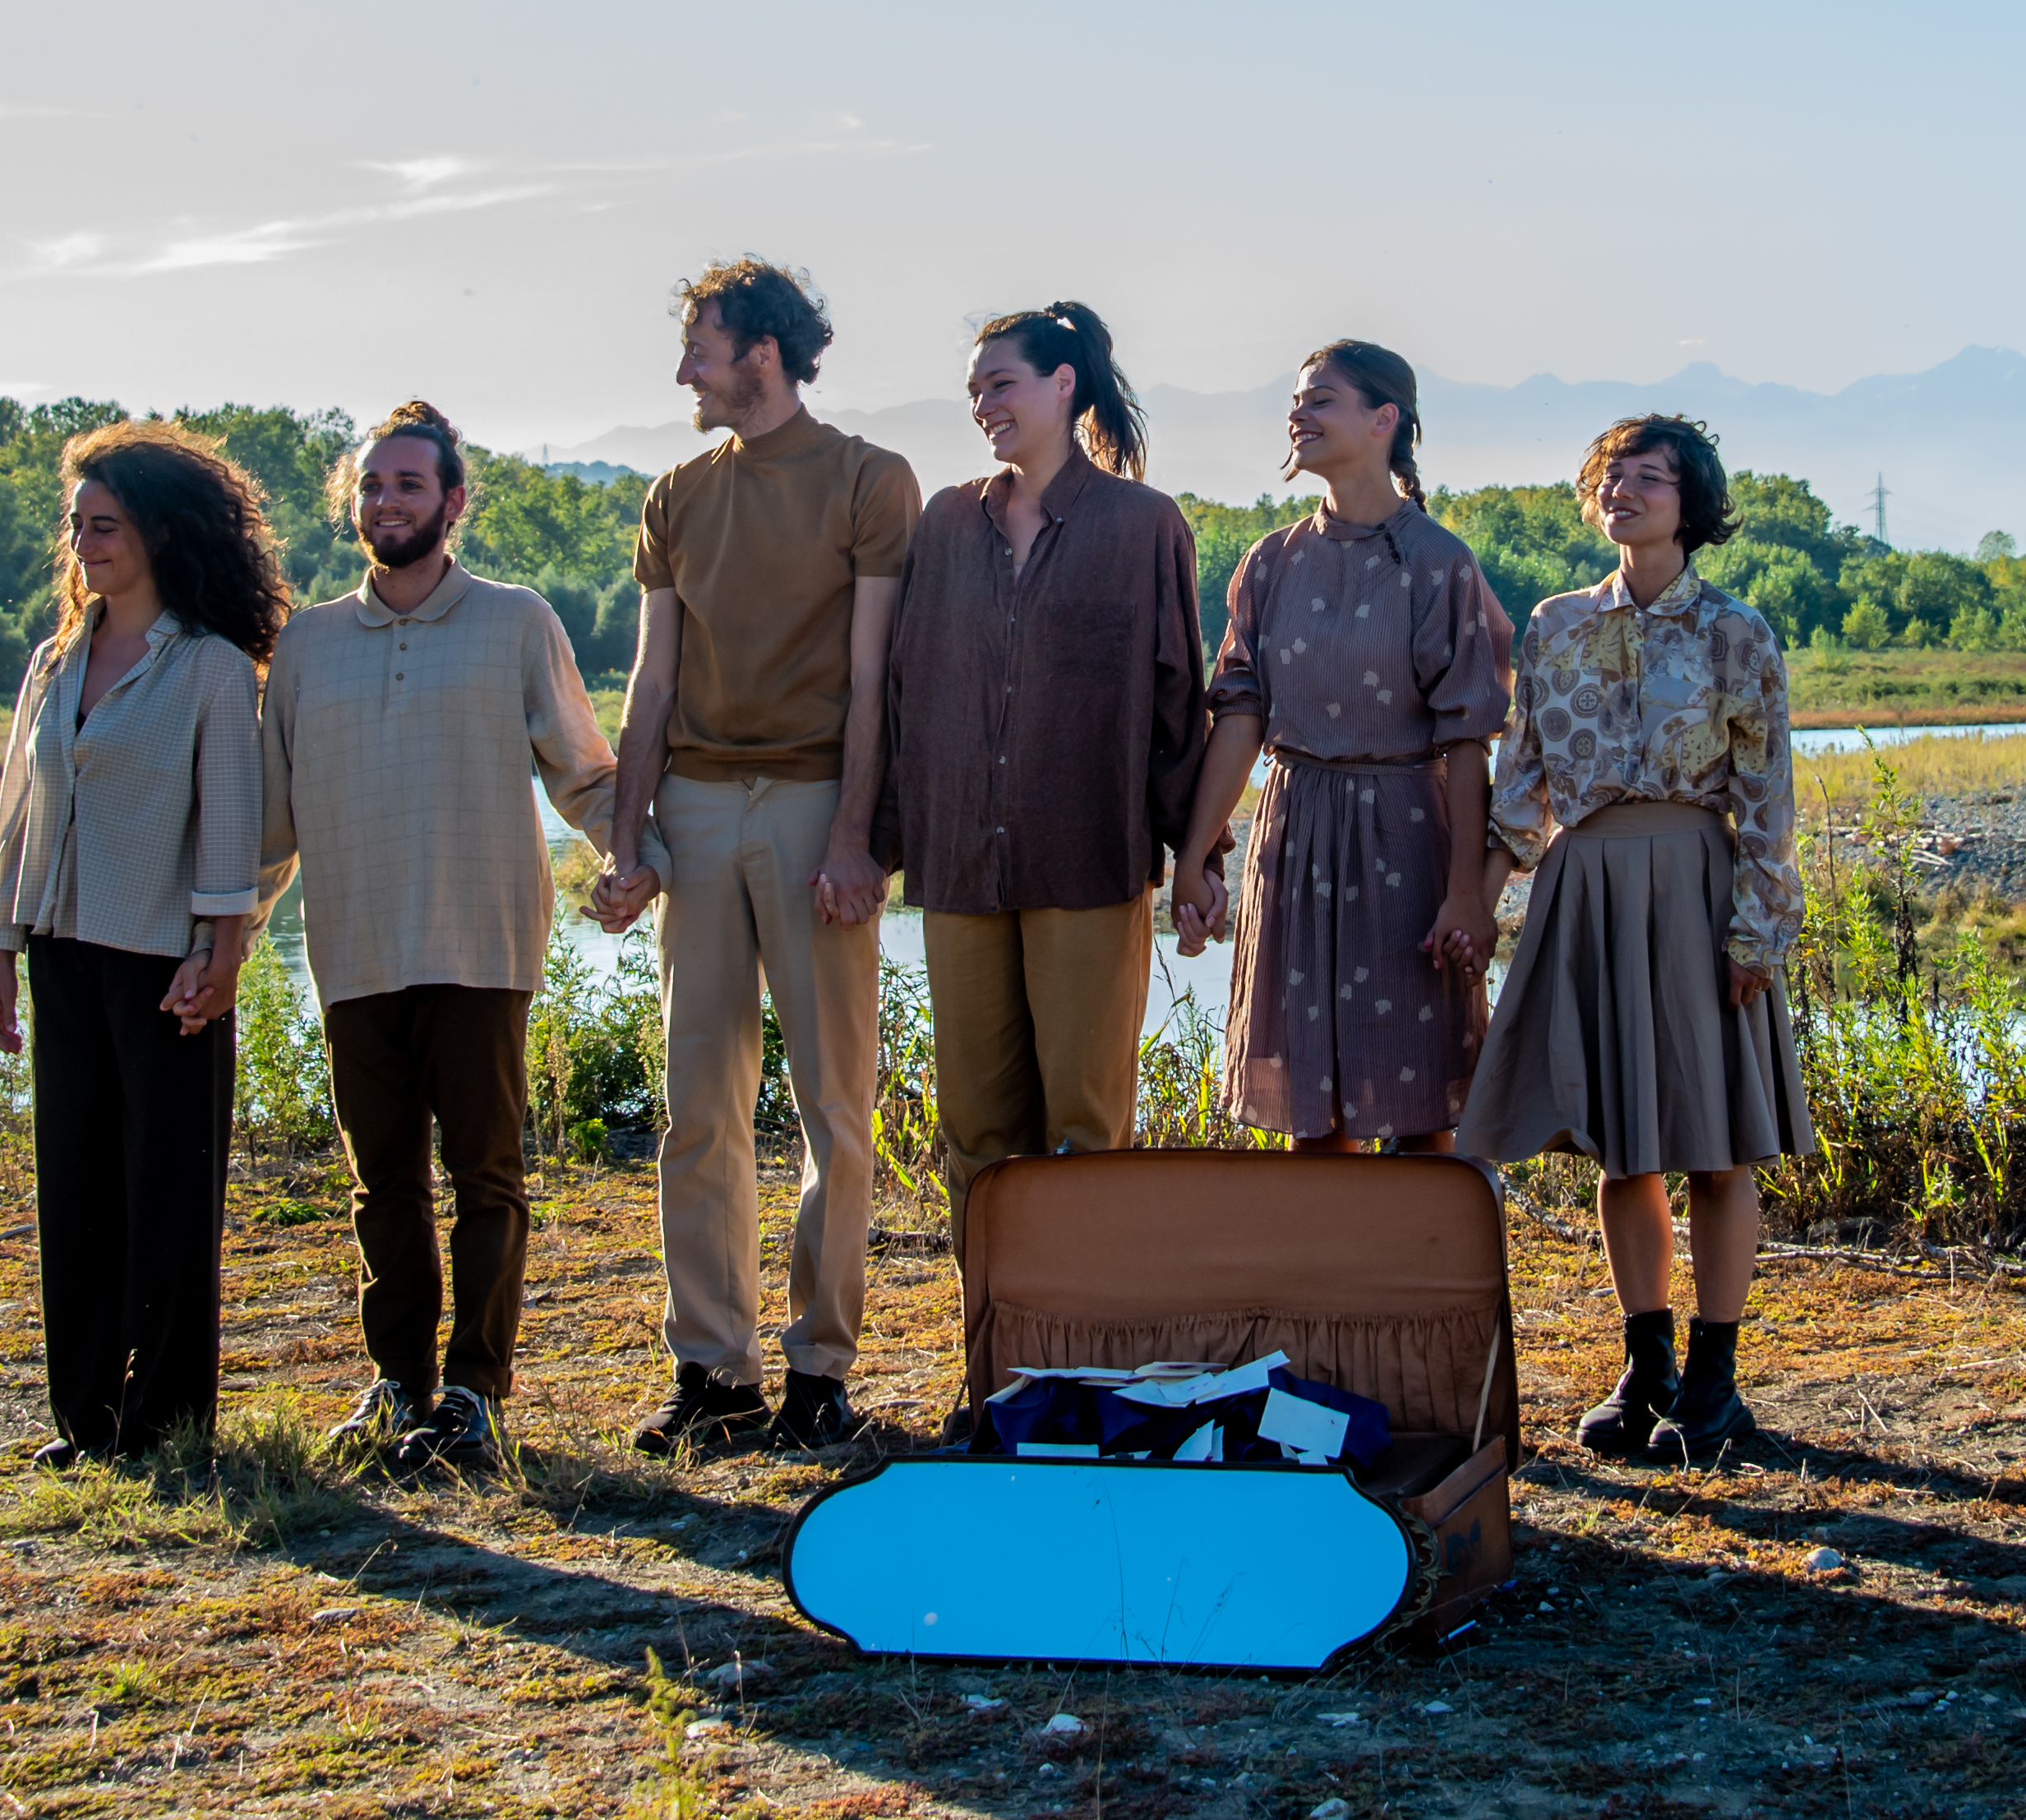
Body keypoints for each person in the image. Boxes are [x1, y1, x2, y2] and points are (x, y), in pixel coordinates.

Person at [256, 398, 621, 1480]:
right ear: (352, 505)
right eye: (373, 486)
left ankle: (475, 1390)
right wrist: (221, 937)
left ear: (453, 503)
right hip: (356, 948)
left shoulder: (516, 622)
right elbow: (274, 821)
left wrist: (630, 858)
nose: (389, 502)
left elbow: (582, 771)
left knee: (486, 1177)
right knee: (382, 1188)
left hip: (481, 940)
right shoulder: (308, 643)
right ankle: (396, 1385)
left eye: (411, 485)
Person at [593, 259, 922, 1457]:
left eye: (702, 347)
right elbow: (651, 679)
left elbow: (878, 674)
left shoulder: (870, 481)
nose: (685, 370)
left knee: (834, 1104)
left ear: (764, 356)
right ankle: (713, 1370)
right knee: (698, 1107)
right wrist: (627, 843)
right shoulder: (676, 494)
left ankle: (820, 1371)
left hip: (812, 805)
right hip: (695, 805)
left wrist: (854, 838)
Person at [1458, 413, 1811, 1468]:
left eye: (1650, 479)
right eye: (1613, 476)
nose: (1626, 492)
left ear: (1690, 505)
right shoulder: (1555, 623)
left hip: (1700, 889)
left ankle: (1715, 1378)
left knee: (1715, 1141)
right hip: (1586, 885)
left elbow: (1769, 795)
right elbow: (1519, 782)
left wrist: (1757, 929)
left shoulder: (1737, 633)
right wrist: (1479, 909)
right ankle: (1643, 1363)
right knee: (1621, 1145)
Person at [0, 422, 286, 1469]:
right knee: (74, 1189)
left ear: (158, 531)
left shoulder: (208, 667)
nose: (84, 545)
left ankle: (163, 1424)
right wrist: (2, 954)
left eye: (104, 525)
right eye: (75, 527)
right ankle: (85, 1422)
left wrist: (222, 949)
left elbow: (233, 822)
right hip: (62, 952)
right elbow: (19, 815)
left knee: (166, 1194)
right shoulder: (54, 660)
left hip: (167, 965)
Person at [877, 303, 1209, 1204]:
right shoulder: (945, 525)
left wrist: (1197, 858)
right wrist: (874, 843)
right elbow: (903, 694)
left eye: (1001, 384)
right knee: (976, 1132)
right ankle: (993, 1339)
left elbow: (1179, 704)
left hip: (1089, 862)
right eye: (974, 390)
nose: (983, 404)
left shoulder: (1142, 525)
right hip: (957, 869)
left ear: (1063, 385)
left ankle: (1082, 1341)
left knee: (1085, 1132)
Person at [1168, 341, 1511, 1153]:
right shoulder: (1270, 562)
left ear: (1382, 419)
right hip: (1293, 840)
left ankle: (1420, 1281)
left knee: (1416, 1097)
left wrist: (1465, 893)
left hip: (1406, 839)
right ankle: (1328, 1280)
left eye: (1319, 399)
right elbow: (1240, 718)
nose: (1298, 414)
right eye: (1296, 399)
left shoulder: (1436, 563)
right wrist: (1194, 856)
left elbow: (1467, 742)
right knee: (1309, 1110)